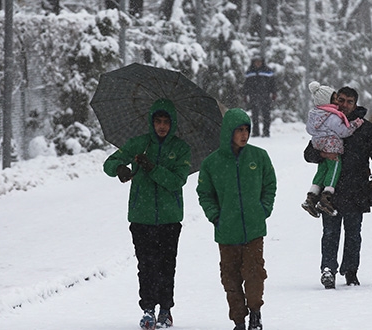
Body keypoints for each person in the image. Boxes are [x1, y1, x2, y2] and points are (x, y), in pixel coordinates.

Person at [103, 98, 192, 330]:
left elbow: (176, 181)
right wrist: (120, 169)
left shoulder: (181, 149)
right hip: (141, 217)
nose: (162, 126)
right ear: (151, 122)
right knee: (146, 265)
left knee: (166, 265)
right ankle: (148, 309)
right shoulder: (139, 144)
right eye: (158, 121)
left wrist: (152, 168)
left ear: (173, 123)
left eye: (166, 121)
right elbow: (109, 163)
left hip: (170, 218)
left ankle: (166, 309)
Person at [304, 86, 372, 289]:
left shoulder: (365, 128)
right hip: (332, 190)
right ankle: (328, 270)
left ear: (355, 104)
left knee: (353, 234)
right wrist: (323, 155)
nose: (344, 105)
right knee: (330, 233)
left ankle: (351, 272)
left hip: (357, 189)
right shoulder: (326, 123)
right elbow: (308, 154)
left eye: (349, 101)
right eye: (341, 100)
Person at [196, 108, 277, 330]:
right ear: (228, 132)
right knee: (230, 280)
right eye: (239, 130)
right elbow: (205, 193)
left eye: (247, 130)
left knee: (254, 275)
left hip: (253, 230)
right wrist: (215, 216)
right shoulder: (212, 163)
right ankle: (239, 320)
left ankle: (255, 314)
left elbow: (270, 184)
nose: (244, 135)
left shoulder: (259, 156)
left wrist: (263, 209)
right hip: (227, 232)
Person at [302, 81, 364, 218]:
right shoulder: (332, 116)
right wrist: (354, 125)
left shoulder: (315, 113)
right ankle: (326, 197)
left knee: (322, 170)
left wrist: (321, 151)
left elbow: (309, 130)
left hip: (318, 143)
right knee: (335, 168)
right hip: (332, 147)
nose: (340, 104)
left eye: (349, 102)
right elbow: (343, 132)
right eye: (338, 99)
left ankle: (311, 197)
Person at [242, 57, 277, 137]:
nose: (258, 63)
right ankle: (255, 132)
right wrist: (245, 94)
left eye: (259, 62)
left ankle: (266, 132)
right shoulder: (250, 72)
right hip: (253, 96)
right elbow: (246, 85)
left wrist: (274, 93)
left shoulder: (268, 71)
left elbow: (273, 83)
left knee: (266, 115)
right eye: (256, 62)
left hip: (265, 96)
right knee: (255, 115)